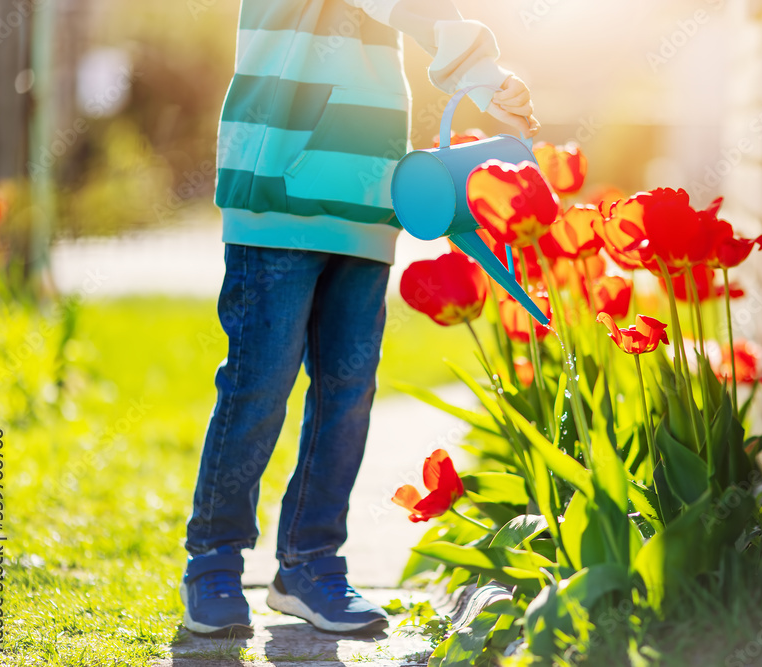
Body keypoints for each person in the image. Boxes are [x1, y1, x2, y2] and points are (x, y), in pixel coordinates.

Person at [181, 0, 540, 638]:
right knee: (258, 386)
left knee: (347, 393)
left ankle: (310, 565)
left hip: (367, 195)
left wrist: (483, 79)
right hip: (278, 188)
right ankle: (213, 560)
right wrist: (481, 70)